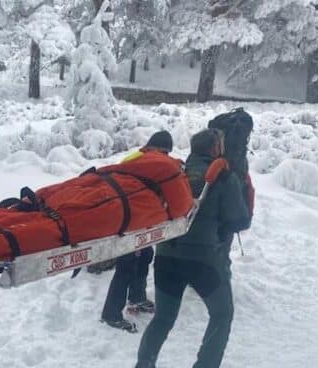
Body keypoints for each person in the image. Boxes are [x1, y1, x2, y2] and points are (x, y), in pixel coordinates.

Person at [135, 128, 251, 368]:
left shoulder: (175, 174)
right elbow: (240, 221)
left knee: (163, 318)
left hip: (166, 257)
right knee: (222, 314)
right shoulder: (224, 177)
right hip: (204, 260)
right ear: (215, 149)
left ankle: (144, 364)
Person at [100, 131, 175, 333]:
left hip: (140, 220)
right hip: (129, 222)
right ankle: (111, 314)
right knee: (127, 265)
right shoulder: (141, 161)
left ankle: (137, 297)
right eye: (165, 152)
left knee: (145, 255)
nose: (165, 157)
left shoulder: (140, 157)